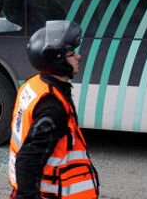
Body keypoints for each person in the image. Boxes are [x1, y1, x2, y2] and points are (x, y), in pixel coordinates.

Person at [8, 20, 99, 199]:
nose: (78, 57)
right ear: (58, 62)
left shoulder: (35, 84)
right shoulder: (52, 107)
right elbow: (29, 157)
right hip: (51, 192)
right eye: (71, 54)